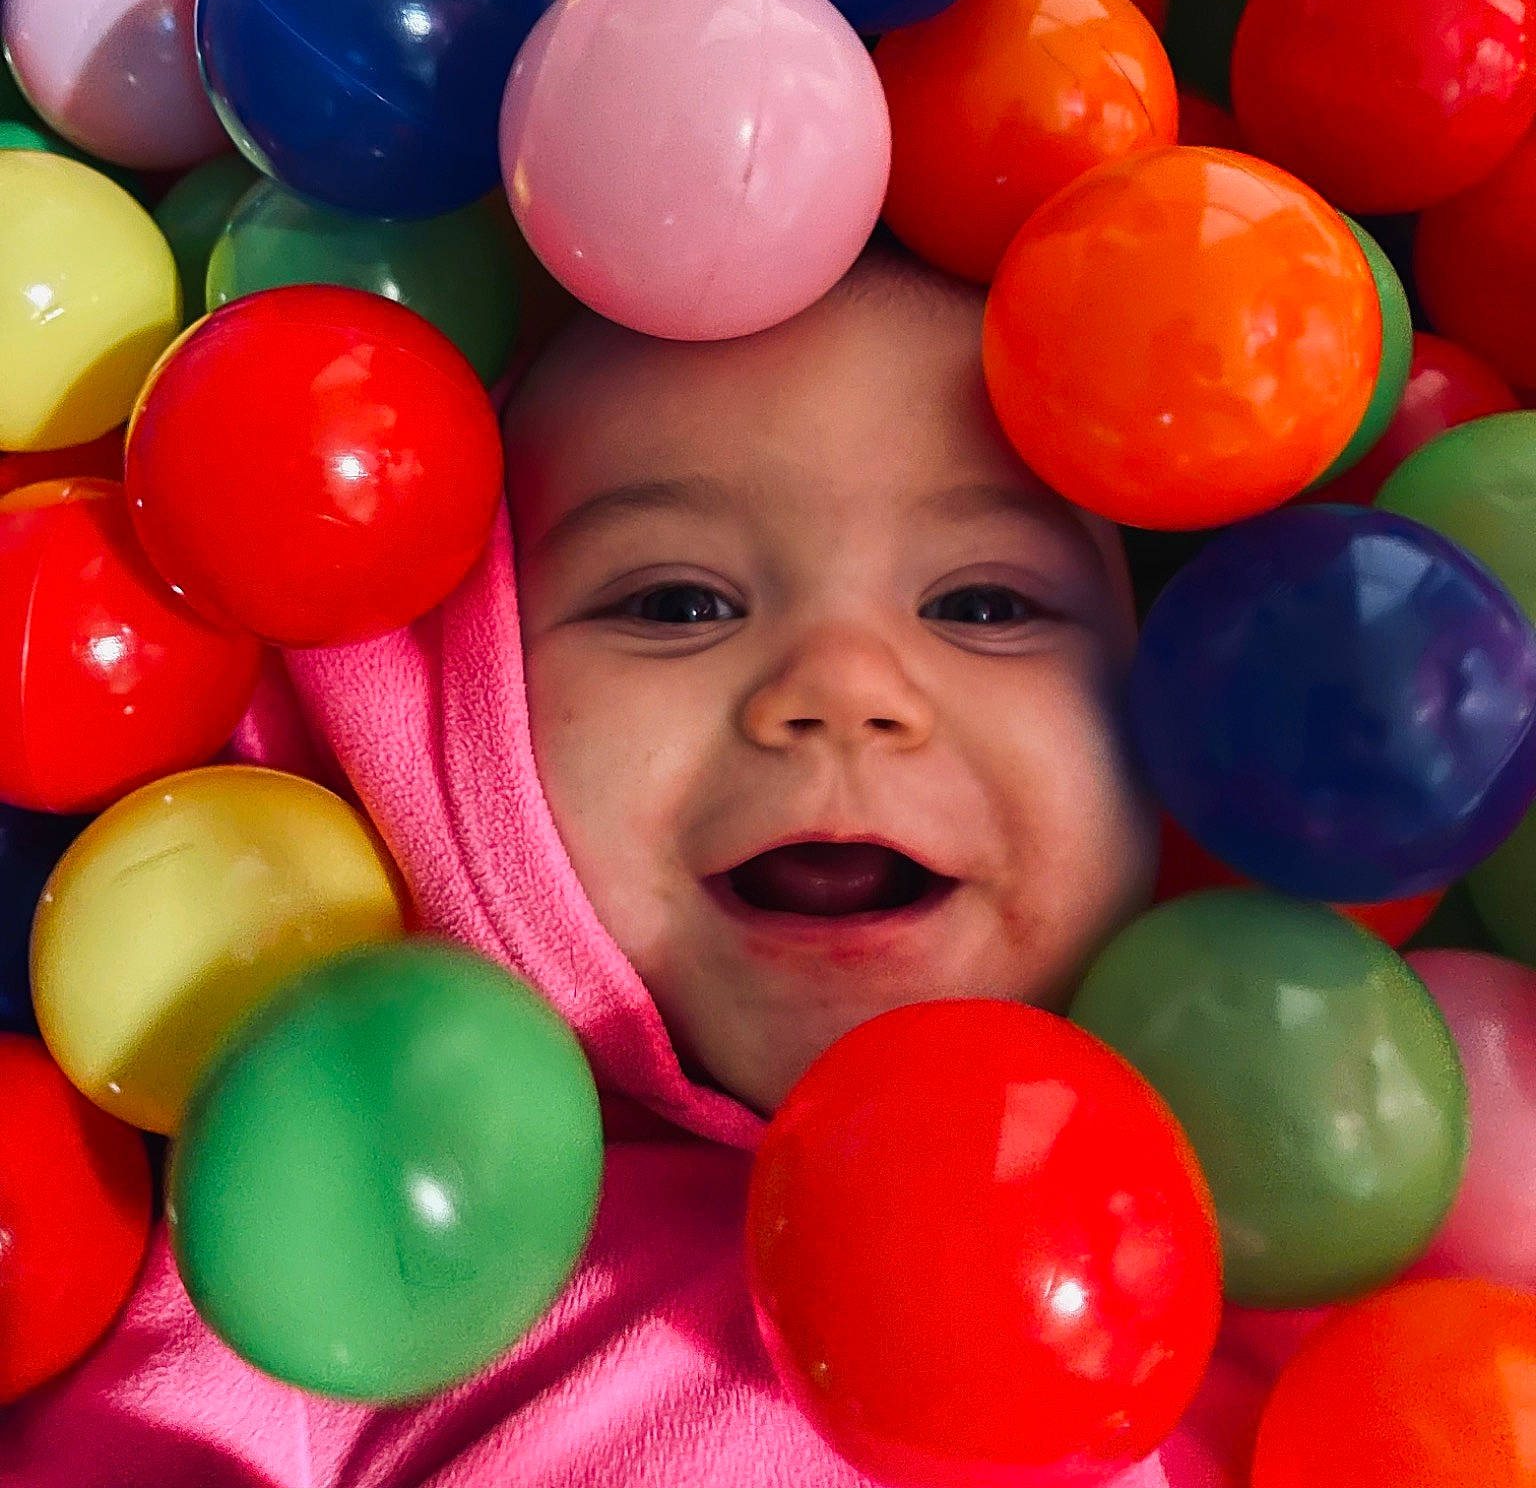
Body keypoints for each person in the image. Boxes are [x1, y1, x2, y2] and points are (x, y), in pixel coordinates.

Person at [0, 244, 1254, 1486]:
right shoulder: (344, 1221)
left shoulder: (1257, 1294)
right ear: (458, 704)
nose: (843, 689)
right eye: (677, 604)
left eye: (984, 604)